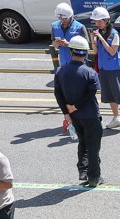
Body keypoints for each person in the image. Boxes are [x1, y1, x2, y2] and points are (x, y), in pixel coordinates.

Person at [52, 35, 102, 188]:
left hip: (74, 117)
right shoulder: (90, 72)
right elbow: (91, 93)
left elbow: (57, 93)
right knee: (93, 147)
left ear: (71, 51)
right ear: (86, 53)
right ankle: (94, 177)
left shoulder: (61, 71)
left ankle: (83, 171)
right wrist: (77, 106)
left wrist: (67, 112)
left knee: (82, 143)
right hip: (90, 116)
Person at [90, 7, 120, 130]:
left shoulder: (114, 34)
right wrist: (93, 39)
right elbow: (96, 52)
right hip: (104, 68)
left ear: (106, 20)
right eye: (96, 21)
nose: (97, 24)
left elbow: (112, 52)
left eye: (99, 21)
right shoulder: (99, 33)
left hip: (115, 68)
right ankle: (116, 117)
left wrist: (101, 39)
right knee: (110, 94)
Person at [51, 3, 85, 140]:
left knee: (79, 94)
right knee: (66, 95)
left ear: (71, 16)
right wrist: (57, 44)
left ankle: (81, 120)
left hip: (77, 66)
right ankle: (69, 119)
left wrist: (68, 44)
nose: (62, 21)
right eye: (61, 19)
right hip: (64, 65)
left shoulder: (79, 27)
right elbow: (52, 42)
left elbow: (85, 46)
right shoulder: (55, 25)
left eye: (64, 19)